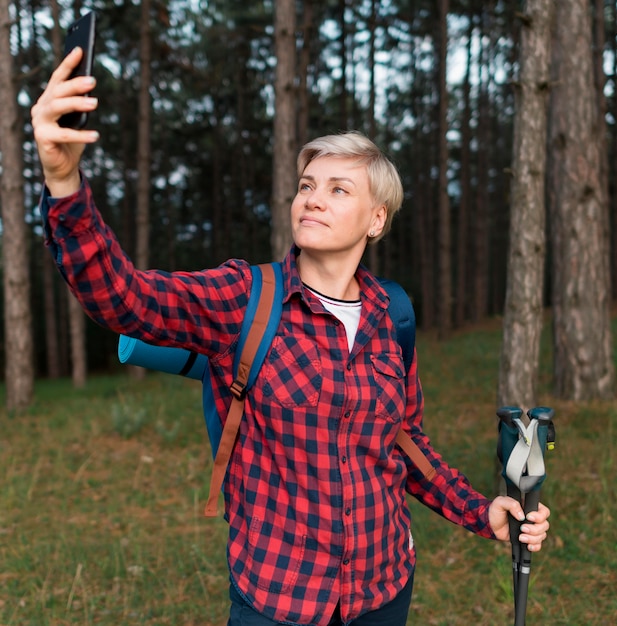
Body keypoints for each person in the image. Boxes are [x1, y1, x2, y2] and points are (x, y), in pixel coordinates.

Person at [32, 48, 550, 626]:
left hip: (382, 592)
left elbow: (406, 445)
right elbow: (121, 297)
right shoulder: (243, 299)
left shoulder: (392, 315)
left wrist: (483, 512)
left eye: (338, 189)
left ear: (376, 219)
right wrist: (63, 182)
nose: (313, 198)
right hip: (279, 599)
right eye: (307, 185)